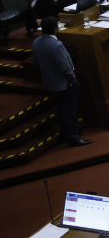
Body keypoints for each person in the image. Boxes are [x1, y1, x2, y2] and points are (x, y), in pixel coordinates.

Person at [32, 17, 89, 147]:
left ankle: (65, 135)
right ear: (55, 29)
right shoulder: (56, 45)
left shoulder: (36, 42)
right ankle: (74, 138)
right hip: (64, 83)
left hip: (50, 83)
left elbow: (36, 61)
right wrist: (73, 80)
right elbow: (65, 67)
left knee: (61, 110)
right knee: (69, 112)